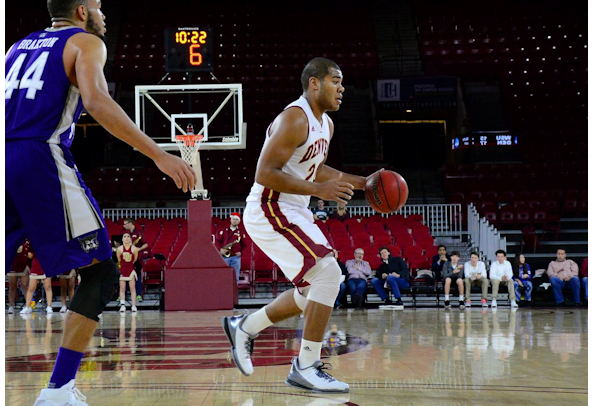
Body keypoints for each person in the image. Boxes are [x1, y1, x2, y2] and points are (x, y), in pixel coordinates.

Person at [5, 1, 196, 403]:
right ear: (80, 11)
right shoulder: (84, 41)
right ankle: (58, 390)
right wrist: (159, 154)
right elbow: (97, 101)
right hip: (40, 155)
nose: (104, 14)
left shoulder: (16, 47)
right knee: (100, 274)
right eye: (98, 6)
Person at [222, 57, 367, 393]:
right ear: (314, 83)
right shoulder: (295, 117)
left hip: (294, 208)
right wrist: (319, 191)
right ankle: (306, 365)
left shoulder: (325, 125)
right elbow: (264, 173)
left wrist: (365, 182)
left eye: (342, 82)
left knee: (310, 291)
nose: (342, 88)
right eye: (336, 80)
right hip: (268, 206)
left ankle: (245, 326)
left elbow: (317, 168)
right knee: (328, 273)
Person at [122, 218, 148, 302]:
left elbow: (146, 244)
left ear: (130, 223)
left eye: (125, 224)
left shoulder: (139, 233)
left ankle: (138, 295)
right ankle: (123, 296)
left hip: (136, 259)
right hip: (126, 258)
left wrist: (139, 249)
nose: (124, 226)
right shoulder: (124, 233)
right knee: (124, 277)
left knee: (137, 277)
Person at [21, 249, 54, 315]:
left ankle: (49, 307)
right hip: (36, 266)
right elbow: (30, 256)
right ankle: (27, 307)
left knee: (47, 287)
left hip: (46, 266)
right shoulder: (34, 243)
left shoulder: (48, 243)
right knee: (31, 289)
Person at [216, 213, 247, 281]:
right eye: (233, 219)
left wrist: (241, 253)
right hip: (225, 257)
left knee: (235, 277)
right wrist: (220, 249)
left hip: (236, 258)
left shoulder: (241, 232)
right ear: (230, 220)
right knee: (224, 277)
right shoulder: (224, 231)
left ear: (239, 221)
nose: (234, 221)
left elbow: (245, 245)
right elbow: (217, 241)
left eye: (236, 219)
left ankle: (234, 291)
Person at [116, 232, 139, 313]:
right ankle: (122, 306)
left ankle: (133, 305)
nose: (126, 238)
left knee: (132, 289)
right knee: (122, 289)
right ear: (122, 239)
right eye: (124, 236)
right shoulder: (119, 249)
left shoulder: (134, 249)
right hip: (122, 271)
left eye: (128, 236)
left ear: (130, 238)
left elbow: (135, 259)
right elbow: (119, 259)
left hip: (131, 271)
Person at [7, 239, 31, 314]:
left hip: (23, 265)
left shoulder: (26, 240)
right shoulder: (10, 238)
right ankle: (11, 306)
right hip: (12, 265)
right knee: (12, 287)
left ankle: (28, 306)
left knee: (25, 286)